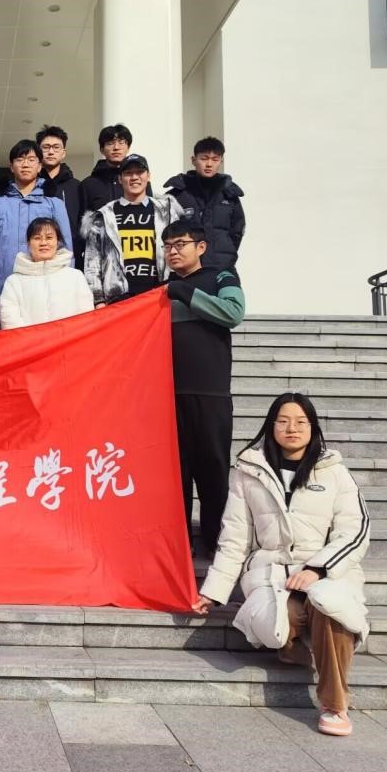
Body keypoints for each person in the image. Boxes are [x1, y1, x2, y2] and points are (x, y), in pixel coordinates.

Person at [193, 392, 370, 738]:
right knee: (280, 623)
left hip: (325, 572)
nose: (292, 429)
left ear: (312, 427)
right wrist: (214, 591)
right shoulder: (248, 472)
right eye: (284, 421)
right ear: (271, 426)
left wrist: (317, 569)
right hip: (272, 575)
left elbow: (356, 529)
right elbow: (235, 538)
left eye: (301, 422)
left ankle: (335, 705)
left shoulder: (334, 472)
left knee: (329, 609)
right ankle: (297, 649)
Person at [162, 220, 245, 557]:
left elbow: (233, 312)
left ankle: (215, 543)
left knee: (213, 472)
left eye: (180, 244)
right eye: (168, 245)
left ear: (201, 247)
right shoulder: (162, 289)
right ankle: (179, 546)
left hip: (211, 395)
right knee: (175, 476)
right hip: (169, 396)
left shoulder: (221, 277)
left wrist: (185, 293)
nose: (173, 251)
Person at [81, 153, 190, 307]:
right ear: (120, 179)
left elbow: (182, 250)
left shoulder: (167, 210)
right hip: (117, 300)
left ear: (148, 176)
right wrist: (98, 300)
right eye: (128, 173)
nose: (134, 177)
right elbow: (92, 262)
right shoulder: (103, 215)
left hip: (161, 297)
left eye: (139, 172)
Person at [0, 140, 73, 301]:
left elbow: (65, 251)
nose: (25, 164)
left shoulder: (54, 204)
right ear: (11, 166)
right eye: (20, 159)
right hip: (5, 288)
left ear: (40, 166)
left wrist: (65, 288)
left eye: (31, 159)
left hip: (47, 289)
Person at [164, 136, 246, 272]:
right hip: (187, 271)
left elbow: (237, 231)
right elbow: (166, 231)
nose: (209, 164)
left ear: (221, 161)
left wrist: (227, 255)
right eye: (204, 158)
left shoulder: (230, 195)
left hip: (223, 269)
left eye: (215, 159)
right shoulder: (177, 195)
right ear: (193, 160)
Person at [0, 217, 93, 329]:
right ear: (29, 243)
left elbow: (86, 317)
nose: (43, 243)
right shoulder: (13, 282)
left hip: (71, 339)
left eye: (49, 237)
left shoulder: (75, 277)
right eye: (37, 238)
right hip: (30, 340)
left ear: (58, 242)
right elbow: (10, 321)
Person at [36, 125, 84, 266]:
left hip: (69, 258)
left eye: (56, 147)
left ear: (63, 153)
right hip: (36, 257)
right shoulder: (32, 186)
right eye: (46, 147)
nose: (51, 152)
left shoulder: (77, 186)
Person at [80, 122, 136, 214]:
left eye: (121, 142)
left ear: (128, 147)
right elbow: (82, 218)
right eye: (110, 143)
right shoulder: (88, 184)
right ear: (102, 150)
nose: (116, 147)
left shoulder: (138, 180)